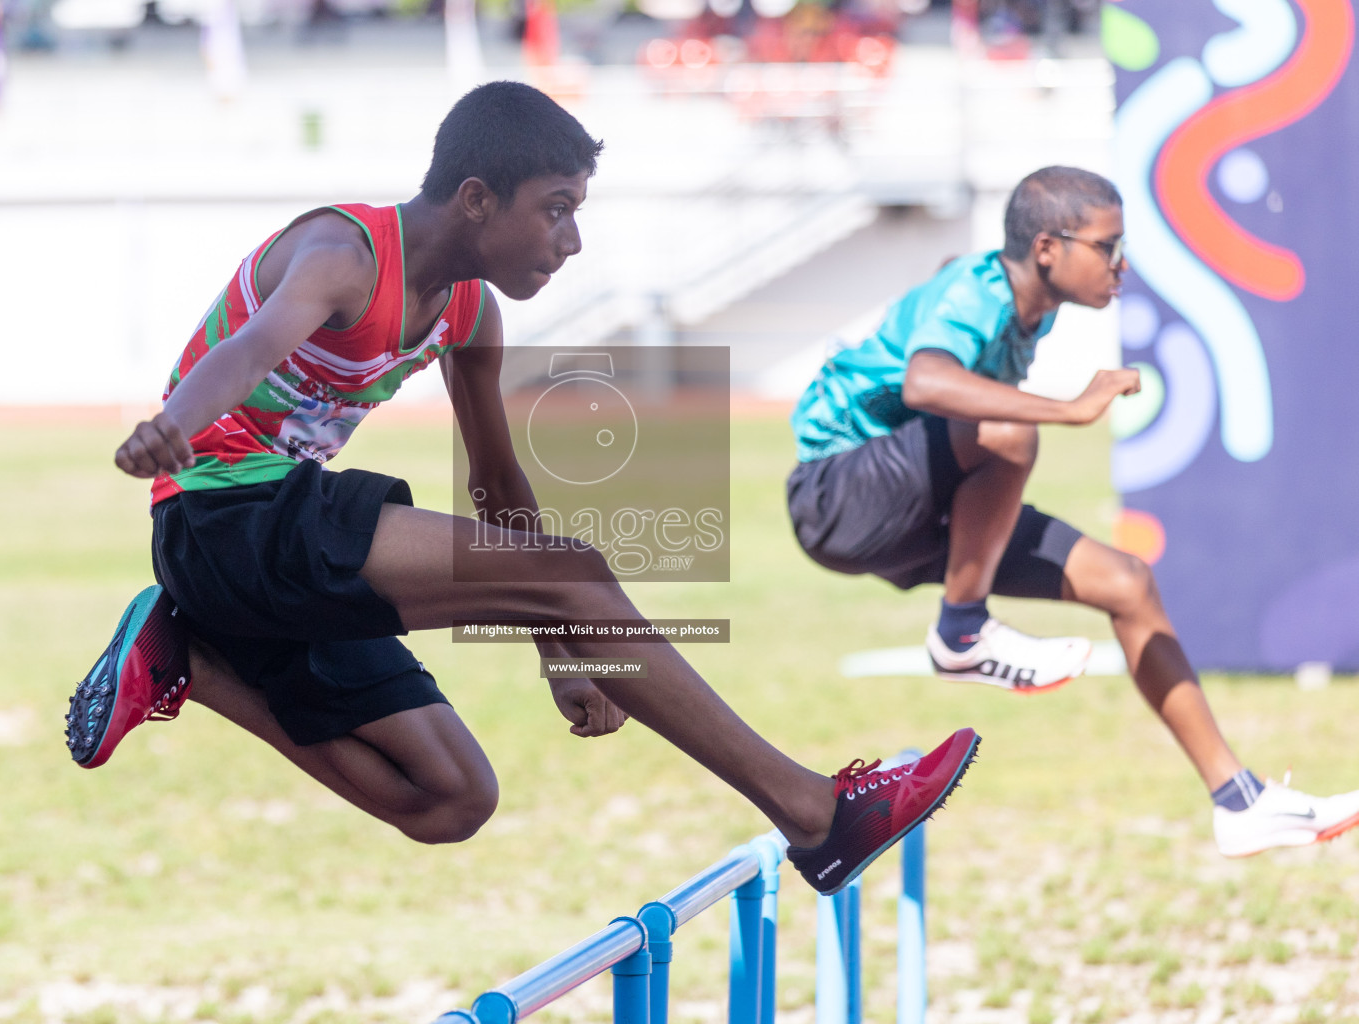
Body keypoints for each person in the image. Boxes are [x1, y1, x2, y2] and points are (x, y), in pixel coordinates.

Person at [63, 81, 980, 897]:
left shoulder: (469, 312)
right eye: (555, 210)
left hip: (268, 555)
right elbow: (254, 346)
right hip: (222, 517)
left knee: (451, 798)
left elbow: (499, 486)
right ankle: (816, 816)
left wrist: (561, 647)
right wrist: (175, 423)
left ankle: (192, 660)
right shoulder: (345, 253)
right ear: (476, 200)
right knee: (573, 569)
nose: (572, 240)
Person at [787, 165, 1359, 858]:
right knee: (1009, 432)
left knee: (1127, 582)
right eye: (1107, 247)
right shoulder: (977, 290)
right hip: (836, 494)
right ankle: (962, 633)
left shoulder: (1031, 306)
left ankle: (1238, 801)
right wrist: (1068, 408)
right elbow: (926, 379)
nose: (1121, 265)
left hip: (919, 512)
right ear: (1048, 250)